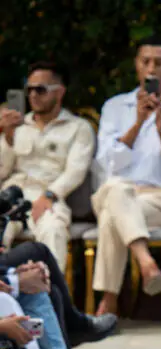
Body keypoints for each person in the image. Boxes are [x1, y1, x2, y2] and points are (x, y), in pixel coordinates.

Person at [92, 35, 161, 317]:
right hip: (118, 192)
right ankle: (146, 262)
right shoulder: (115, 107)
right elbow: (109, 164)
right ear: (137, 65)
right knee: (117, 189)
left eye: (159, 62)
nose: (152, 68)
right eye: (146, 62)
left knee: (111, 213)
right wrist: (139, 123)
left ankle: (110, 301)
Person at [0, 62, 95, 271]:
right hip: (13, 194)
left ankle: (51, 290)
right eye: (29, 90)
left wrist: (50, 195)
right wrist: (6, 137)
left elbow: (75, 171)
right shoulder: (18, 126)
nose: (33, 95)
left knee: (53, 229)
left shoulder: (78, 128)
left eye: (40, 89)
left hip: (49, 195)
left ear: (59, 92)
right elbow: (2, 171)